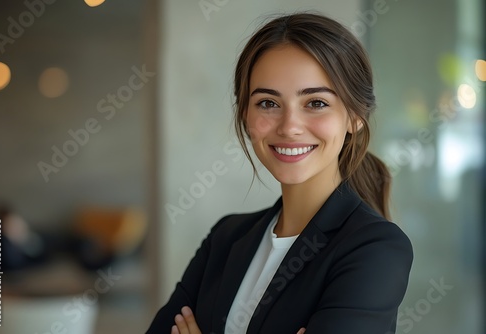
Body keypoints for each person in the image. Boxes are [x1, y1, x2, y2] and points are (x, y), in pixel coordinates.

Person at [146, 12, 413, 334]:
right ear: (245, 114)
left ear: (355, 117)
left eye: (315, 103)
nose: (289, 127)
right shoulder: (227, 237)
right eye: (268, 103)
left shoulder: (374, 248)